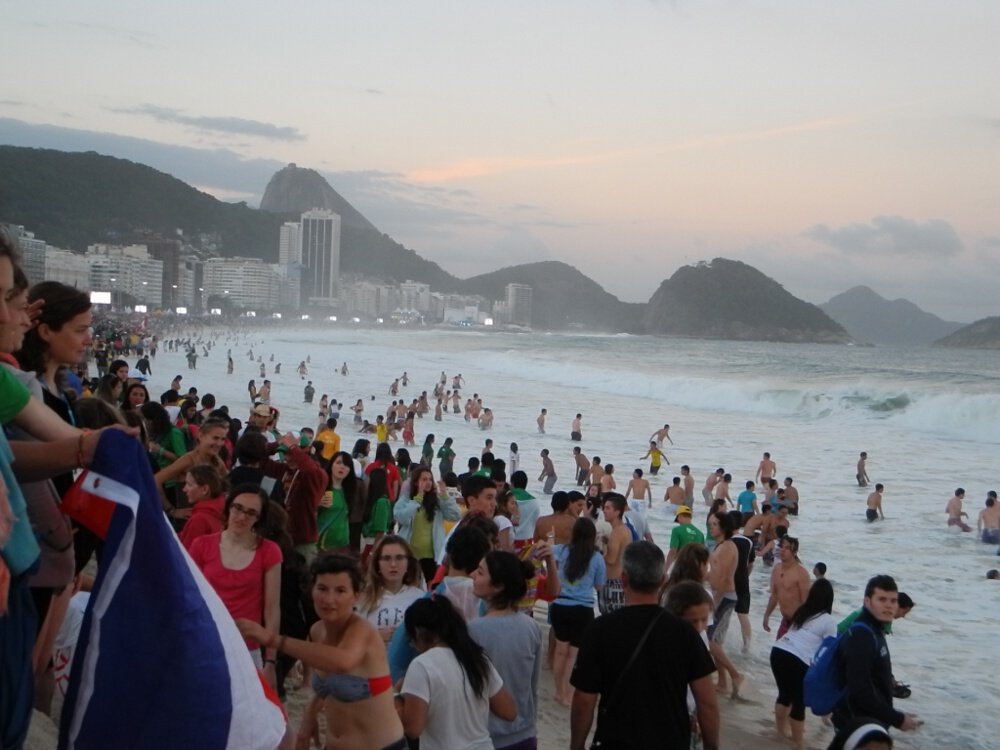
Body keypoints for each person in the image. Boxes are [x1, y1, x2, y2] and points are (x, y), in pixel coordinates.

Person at [236, 554, 407, 750]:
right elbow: (325, 684)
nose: (329, 599)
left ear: (356, 596)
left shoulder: (362, 630)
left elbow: (342, 662)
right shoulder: (317, 630)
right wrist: (309, 717)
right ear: (312, 591)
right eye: (322, 589)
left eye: (340, 591)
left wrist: (272, 639)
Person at [570, 541, 719, 750]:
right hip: (671, 742)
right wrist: (712, 747)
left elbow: (584, 699)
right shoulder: (686, 633)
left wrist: (576, 745)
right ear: (662, 580)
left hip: (615, 742)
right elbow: (707, 702)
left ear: (623, 579)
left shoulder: (600, 630)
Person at [399, 596, 516, 750]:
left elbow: (413, 729)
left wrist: (398, 701)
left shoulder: (422, 665)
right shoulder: (476, 658)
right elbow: (509, 711)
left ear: (417, 632)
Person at [189, 485, 281, 680]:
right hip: (205, 640)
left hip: (247, 647)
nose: (241, 517)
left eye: (251, 513)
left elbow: (272, 609)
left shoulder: (269, 551)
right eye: (237, 508)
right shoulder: (202, 545)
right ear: (228, 507)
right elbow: (189, 597)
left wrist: (271, 660)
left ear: (258, 519)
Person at [469, 550, 546, 749]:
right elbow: (532, 687)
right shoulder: (531, 627)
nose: (473, 576)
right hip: (525, 733)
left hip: (486, 737)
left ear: (498, 586)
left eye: (480, 572)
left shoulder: (473, 630)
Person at [831, 575, 922, 734]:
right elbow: (860, 690)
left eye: (893, 601)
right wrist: (898, 719)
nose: (888, 606)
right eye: (882, 599)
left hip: (868, 723)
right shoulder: (862, 635)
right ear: (867, 601)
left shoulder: (875, 630)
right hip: (856, 726)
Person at [769, 578, 836, 750]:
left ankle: (780, 733)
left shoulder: (802, 611)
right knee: (798, 702)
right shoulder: (828, 621)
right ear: (830, 599)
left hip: (778, 651)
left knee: (784, 695)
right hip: (797, 658)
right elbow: (828, 652)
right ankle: (798, 745)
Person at [550, 518, 606, 707]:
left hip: (560, 605)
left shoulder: (562, 550)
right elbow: (600, 586)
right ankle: (568, 694)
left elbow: (546, 556)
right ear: (592, 536)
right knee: (573, 656)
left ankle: (558, 691)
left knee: (560, 652)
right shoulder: (597, 557)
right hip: (582, 609)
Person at [394, 466, 462, 583]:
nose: (428, 482)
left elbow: (455, 515)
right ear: (416, 482)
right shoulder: (406, 499)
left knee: (430, 588)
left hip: (432, 555)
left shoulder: (437, 501)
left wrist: (445, 496)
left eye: (430, 479)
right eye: (424, 479)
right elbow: (401, 518)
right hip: (409, 553)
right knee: (408, 585)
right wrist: (417, 500)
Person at [357, 535, 425, 644]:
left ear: (408, 563)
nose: (393, 564)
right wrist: (376, 637)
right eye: (386, 558)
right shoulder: (364, 598)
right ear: (377, 564)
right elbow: (352, 639)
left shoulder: (419, 598)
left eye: (399, 558)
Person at [706, 510, 743, 696]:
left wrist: (714, 602)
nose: (710, 527)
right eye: (710, 524)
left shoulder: (727, 547)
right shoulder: (721, 545)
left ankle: (735, 675)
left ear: (724, 527)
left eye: (714, 524)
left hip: (724, 597)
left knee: (712, 642)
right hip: (718, 595)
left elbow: (724, 577)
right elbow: (714, 574)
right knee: (715, 641)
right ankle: (722, 682)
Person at [763, 536, 811, 639]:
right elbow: (775, 595)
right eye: (781, 547)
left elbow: (806, 603)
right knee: (777, 651)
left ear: (794, 552)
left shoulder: (801, 573)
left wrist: (803, 627)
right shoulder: (777, 569)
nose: (783, 550)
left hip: (798, 624)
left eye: (787, 548)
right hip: (785, 621)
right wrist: (767, 615)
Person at [177, 464, 227, 551]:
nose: (184, 489)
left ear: (205, 489)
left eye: (189, 484)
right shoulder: (225, 508)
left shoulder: (199, 519)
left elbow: (187, 555)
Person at [599, 494, 630, 615]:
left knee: (609, 618)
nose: (604, 511)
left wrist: (596, 556)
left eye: (607, 508)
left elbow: (611, 560)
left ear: (617, 512)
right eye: (604, 508)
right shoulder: (625, 529)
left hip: (613, 583)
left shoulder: (617, 532)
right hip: (620, 581)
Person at [665, 505, 705, 569]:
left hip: (681, 566)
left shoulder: (676, 530)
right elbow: (703, 556)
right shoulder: (700, 533)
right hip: (695, 568)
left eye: (677, 519)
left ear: (680, 517)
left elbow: (673, 552)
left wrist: (665, 570)